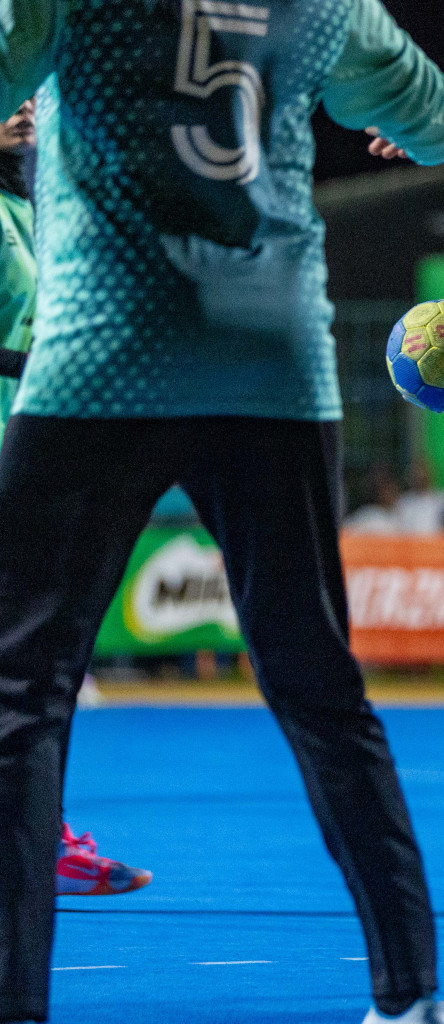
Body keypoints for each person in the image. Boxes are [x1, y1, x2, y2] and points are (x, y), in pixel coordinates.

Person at [0, 3, 444, 1023]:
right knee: (320, 689)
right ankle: (412, 994)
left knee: (22, 697)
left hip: (104, 353)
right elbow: (443, 125)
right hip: (272, 361)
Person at [0, 97, 153, 899]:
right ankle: (41, 839)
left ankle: (39, 835)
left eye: (32, 90)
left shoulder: (37, 205)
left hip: (39, 462)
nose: (25, 103)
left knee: (36, 670)